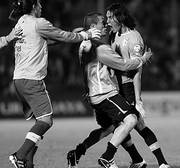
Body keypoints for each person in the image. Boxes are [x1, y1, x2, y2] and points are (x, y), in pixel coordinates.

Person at [7, 0, 101, 168]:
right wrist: (84, 35)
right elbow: (60, 35)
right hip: (32, 79)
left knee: (38, 122)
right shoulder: (39, 22)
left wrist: (69, 35)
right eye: (39, 4)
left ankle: (28, 163)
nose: (42, 7)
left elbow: (46, 39)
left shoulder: (22, 22)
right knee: (46, 121)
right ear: (34, 6)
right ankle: (19, 156)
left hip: (18, 79)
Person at [67, 12, 152, 168]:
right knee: (131, 119)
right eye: (101, 22)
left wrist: (81, 32)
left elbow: (75, 34)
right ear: (93, 27)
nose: (105, 24)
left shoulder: (83, 45)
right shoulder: (101, 48)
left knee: (110, 127)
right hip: (105, 94)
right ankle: (108, 157)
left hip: (93, 94)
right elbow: (125, 65)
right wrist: (142, 59)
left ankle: (77, 152)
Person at [107, 3, 170, 168]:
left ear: (119, 18)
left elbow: (137, 70)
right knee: (119, 127)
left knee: (137, 126)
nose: (107, 21)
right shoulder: (114, 35)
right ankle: (141, 161)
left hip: (127, 88)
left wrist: (137, 99)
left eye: (109, 18)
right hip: (116, 88)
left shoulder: (134, 38)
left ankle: (160, 162)